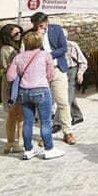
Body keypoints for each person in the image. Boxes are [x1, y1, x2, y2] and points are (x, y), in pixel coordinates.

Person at [6, 31, 65, 160]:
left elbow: (10, 77)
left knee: (28, 122)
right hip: (41, 90)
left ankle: (28, 150)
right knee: (45, 122)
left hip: (24, 92)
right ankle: (49, 149)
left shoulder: (18, 57)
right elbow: (51, 75)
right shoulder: (45, 55)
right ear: (39, 42)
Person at [30, 12, 75, 145]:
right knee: (43, 104)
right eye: (36, 26)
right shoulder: (31, 34)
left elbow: (63, 48)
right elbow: (30, 51)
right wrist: (39, 37)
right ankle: (45, 135)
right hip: (41, 72)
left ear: (47, 22)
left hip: (57, 69)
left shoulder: (56, 29)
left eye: (41, 25)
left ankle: (67, 132)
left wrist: (48, 55)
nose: (39, 28)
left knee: (62, 101)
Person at [0, 23, 25, 154]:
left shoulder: (16, 47)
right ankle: (10, 142)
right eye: (16, 33)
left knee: (21, 113)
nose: (19, 35)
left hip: (19, 82)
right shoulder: (6, 49)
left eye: (20, 33)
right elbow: (10, 68)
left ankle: (20, 139)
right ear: (8, 35)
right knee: (13, 114)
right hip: (12, 83)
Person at [53, 40, 87, 129]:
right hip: (59, 71)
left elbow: (83, 61)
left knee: (65, 96)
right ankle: (77, 115)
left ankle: (57, 122)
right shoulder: (52, 45)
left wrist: (80, 73)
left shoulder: (72, 45)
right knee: (69, 94)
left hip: (71, 70)